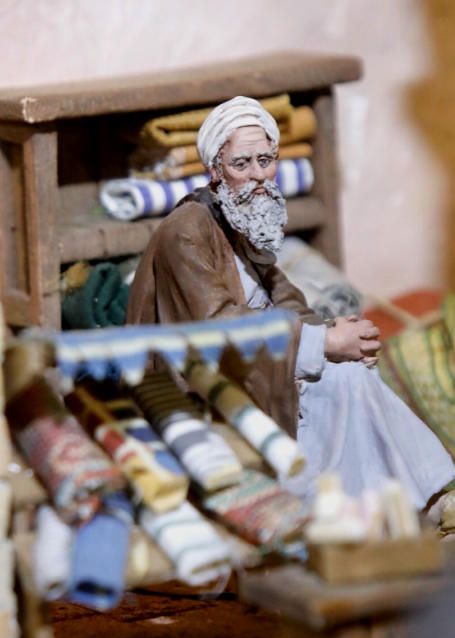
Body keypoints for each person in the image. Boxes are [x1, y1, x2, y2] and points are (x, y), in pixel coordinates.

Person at [127, 96, 454, 515]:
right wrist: (322, 344)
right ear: (215, 170)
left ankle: (398, 500)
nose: (258, 176)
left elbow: (281, 295)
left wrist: (335, 334)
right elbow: (216, 327)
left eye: (265, 161)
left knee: (350, 373)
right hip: (202, 381)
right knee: (342, 382)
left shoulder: (242, 215)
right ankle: (364, 507)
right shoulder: (186, 233)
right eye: (241, 164)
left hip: (262, 357)